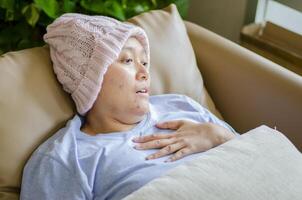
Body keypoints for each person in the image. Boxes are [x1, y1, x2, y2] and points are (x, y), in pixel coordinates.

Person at [20, 13, 237, 200]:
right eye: (127, 61)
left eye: (144, 62)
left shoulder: (181, 104)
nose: (144, 73)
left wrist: (218, 135)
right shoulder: (66, 159)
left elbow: (258, 159)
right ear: (92, 78)